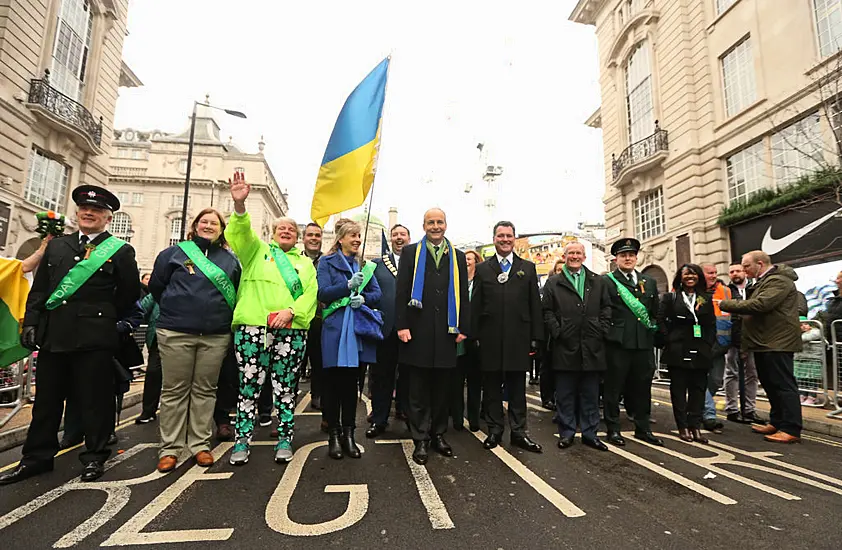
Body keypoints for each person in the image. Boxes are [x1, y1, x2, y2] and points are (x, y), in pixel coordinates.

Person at [0, 185, 140, 485]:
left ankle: (94, 457)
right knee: (47, 402)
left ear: (107, 217)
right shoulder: (57, 246)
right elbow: (41, 290)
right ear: (77, 213)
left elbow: (128, 294)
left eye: (97, 211)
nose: (89, 213)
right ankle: (36, 458)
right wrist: (31, 324)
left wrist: (99, 316)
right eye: (84, 209)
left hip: (95, 337)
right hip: (55, 335)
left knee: (95, 401)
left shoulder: (121, 251)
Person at [225, 174, 317, 465]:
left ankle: (285, 439)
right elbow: (240, 234)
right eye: (281, 228)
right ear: (273, 233)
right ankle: (242, 441)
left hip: (291, 331)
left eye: (291, 229)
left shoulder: (305, 264)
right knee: (249, 385)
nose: (286, 231)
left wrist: (292, 312)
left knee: (286, 387)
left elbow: (311, 295)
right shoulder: (256, 252)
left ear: (297, 236)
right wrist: (239, 205)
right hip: (253, 328)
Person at [150, 207, 241, 473]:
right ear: (195, 225)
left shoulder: (229, 260)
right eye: (204, 221)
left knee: (205, 390)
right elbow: (157, 287)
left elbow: (235, 291)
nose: (209, 226)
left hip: (215, 335)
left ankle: (200, 444)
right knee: (174, 391)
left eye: (215, 223)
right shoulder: (172, 254)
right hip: (176, 332)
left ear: (221, 229)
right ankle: (170, 448)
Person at [395, 208, 470, 465]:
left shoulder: (458, 256)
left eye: (439, 222)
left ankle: (438, 434)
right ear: (423, 225)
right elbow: (402, 291)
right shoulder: (410, 253)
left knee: (442, 390)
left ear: (446, 225)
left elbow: (463, 295)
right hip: (417, 331)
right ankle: (421, 439)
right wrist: (402, 325)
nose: (435, 226)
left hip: (447, 333)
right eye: (431, 222)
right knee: (418, 390)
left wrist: (463, 327)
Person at [472, 221, 543, 453]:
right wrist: (474, 335)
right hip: (490, 337)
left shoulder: (528, 268)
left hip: (518, 337)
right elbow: (477, 305)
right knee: (491, 387)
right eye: (500, 236)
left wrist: (536, 337)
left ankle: (519, 432)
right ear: (494, 239)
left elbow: (535, 304)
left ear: (514, 239)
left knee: (516, 388)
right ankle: (494, 430)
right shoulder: (483, 269)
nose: (505, 239)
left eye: (509, 236)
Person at [719, 250, 804, 444]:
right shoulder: (762, 281)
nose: (744, 270)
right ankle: (777, 421)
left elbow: (761, 304)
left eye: (746, 266)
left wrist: (724, 304)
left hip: (777, 342)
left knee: (783, 385)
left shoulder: (779, 281)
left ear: (760, 263)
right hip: (763, 342)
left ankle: (791, 428)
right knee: (770, 383)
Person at [317, 221, 382, 459]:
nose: (357, 240)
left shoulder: (363, 266)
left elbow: (377, 294)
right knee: (333, 385)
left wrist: (363, 297)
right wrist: (346, 286)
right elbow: (323, 293)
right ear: (341, 238)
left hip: (356, 332)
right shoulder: (327, 262)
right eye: (353, 236)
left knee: (351, 387)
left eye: (359, 236)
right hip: (334, 330)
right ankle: (333, 435)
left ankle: (349, 434)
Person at [542, 242, 611, 451]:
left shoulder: (597, 281)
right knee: (565, 394)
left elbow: (607, 307)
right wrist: (558, 331)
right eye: (571, 253)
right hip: (565, 346)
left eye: (578, 253)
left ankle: (591, 434)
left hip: (592, 346)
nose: (574, 256)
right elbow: (546, 311)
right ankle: (567, 433)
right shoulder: (553, 282)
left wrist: (601, 329)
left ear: (584, 256)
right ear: (564, 256)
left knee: (590, 394)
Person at [602, 238, 663, 447]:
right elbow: (603, 312)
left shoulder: (649, 282)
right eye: (623, 255)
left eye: (631, 255)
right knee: (613, 388)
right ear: (616, 259)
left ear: (637, 258)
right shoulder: (607, 281)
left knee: (642, 388)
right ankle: (613, 429)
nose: (628, 258)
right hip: (618, 344)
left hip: (643, 344)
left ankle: (643, 428)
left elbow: (655, 312)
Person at [657, 264, 715, 444]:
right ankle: (682, 427)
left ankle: (695, 427)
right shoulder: (670, 298)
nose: (690, 277)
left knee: (698, 390)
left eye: (694, 274)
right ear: (680, 278)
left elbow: (710, 324)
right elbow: (660, 320)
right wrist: (669, 339)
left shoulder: (705, 298)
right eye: (686, 274)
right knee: (679, 391)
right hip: (678, 350)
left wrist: (708, 343)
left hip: (700, 350)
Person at [367, 223, 410, 438]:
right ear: (390, 239)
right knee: (382, 377)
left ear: (409, 238)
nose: (399, 238)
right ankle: (379, 419)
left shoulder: (417, 263)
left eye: (403, 234)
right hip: (384, 329)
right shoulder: (377, 264)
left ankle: (410, 416)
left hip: (411, 330)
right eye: (395, 235)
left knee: (410, 377)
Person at [723, 263, 763, 424]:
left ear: (745, 272)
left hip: (753, 338)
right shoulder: (727, 291)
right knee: (731, 373)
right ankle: (732, 409)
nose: (735, 274)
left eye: (738, 271)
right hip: (732, 338)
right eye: (731, 272)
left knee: (751, 375)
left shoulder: (755, 289)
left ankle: (750, 410)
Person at [450, 249, 483, 432]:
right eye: (464, 260)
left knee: (474, 382)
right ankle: (457, 418)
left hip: (475, 340)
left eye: (470, 259)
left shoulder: (481, 282)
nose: (467, 262)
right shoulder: (455, 281)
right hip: (457, 339)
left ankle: (474, 417)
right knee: (456, 381)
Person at [700, 263, 730, 434]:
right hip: (703, 344)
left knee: (716, 380)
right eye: (709, 273)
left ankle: (699, 405)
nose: (713, 276)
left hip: (721, 345)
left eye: (715, 273)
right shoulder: (694, 292)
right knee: (701, 380)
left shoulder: (725, 291)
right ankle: (709, 415)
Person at [302, 222, 325, 410]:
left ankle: (317, 394)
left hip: (318, 318)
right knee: (293, 364)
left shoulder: (326, 260)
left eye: (317, 235)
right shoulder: (292, 259)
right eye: (310, 235)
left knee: (318, 360)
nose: (314, 238)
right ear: (303, 238)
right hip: (295, 319)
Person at [135, 292, 161, 424]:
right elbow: (142, 310)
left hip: (181, 332)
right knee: (153, 373)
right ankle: (148, 411)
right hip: (158, 336)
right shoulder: (157, 291)